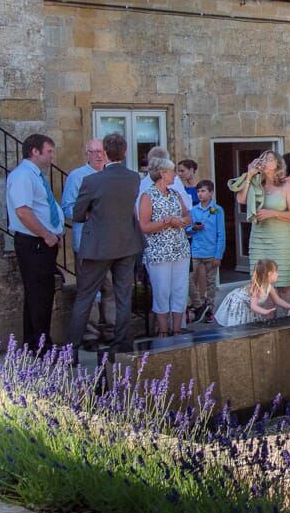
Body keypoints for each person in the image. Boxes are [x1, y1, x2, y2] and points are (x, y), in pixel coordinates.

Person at [67, 132, 146, 351]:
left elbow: (78, 214)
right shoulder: (133, 178)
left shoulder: (92, 180)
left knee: (85, 296)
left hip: (98, 246)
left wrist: (93, 214)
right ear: (125, 152)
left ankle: (71, 350)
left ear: (105, 153)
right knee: (123, 295)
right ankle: (122, 342)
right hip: (127, 243)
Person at [6, 133, 63, 350]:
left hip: (42, 243)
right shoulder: (23, 176)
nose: (52, 157)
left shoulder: (35, 175)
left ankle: (35, 343)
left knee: (41, 293)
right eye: (49, 152)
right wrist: (47, 234)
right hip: (35, 243)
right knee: (39, 294)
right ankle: (40, 345)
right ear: (35, 151)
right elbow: (23, 211)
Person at [61, 138, 114, 339]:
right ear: (87, 154)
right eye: (93, 152)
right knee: (88, 290)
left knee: (111, 288)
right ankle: (90, 333)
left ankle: (111, 331)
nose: (98, 155)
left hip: (111, 241)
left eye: (101, 151)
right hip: (86, 241)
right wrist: (90, 213)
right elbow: (67, 208)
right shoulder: (77, 176)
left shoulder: (112, 175)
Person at [138, 156, 192, 338]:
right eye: (171, 171)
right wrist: (167, 222)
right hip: (158, 252)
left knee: (179, 289)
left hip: (180, 249)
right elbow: (144, 226)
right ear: (162, 173)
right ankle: (163, 329)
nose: (175, 174)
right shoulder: (147, 196)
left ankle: (177, 329)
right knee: (162, 290)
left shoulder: (175, 194)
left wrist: (182, 221)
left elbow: (188, 216)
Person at [229, 150, 290, 291]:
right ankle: (266, 313)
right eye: (262, 159)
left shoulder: (286, 186)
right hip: (258, 239)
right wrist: (249, 175)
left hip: (280, 241)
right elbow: (241, 200)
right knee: (260, 285)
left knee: (284, 285)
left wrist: (272, 213)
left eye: (269, 159)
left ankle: (289, 313)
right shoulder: (256, 184)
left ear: (278, 164)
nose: (264, 162)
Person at [186, 179, 225, 323]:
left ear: (211, 192)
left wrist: (218, 255)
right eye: (198, 191)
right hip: (196, 251)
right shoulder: (193, 210)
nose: (200, 194)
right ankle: (199, 304)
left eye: (203, 191)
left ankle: (210, 309)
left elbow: (221, 234)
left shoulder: (217, 210)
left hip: (211, 251)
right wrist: (193, 228)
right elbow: (187, 229)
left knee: (211, 282)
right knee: (188, 279)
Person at [215, 259, 290, 327]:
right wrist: (264, 311)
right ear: (269, 274)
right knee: (240, 325)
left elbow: (277, 300)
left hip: (248, 305)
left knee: (250, 325)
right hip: (239, 302)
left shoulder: (269, 286)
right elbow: (253, 306)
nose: (277, 274)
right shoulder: (257, 289)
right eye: (276, 272)